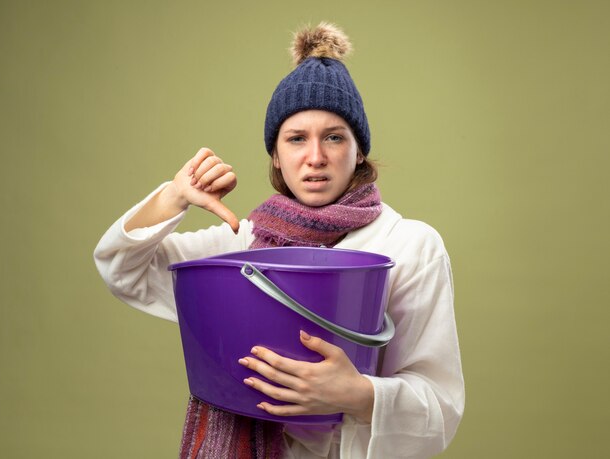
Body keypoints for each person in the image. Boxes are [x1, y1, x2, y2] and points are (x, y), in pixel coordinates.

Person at [94, 22, 464, 459]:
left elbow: (440, 409)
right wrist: (175, 196)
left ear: (359, 149)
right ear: (276, 154)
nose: (315, 157)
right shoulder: (245, 242)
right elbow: (122, 269)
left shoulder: (411, 245)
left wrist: (359, 394)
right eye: (296, 139)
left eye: (333, 137)